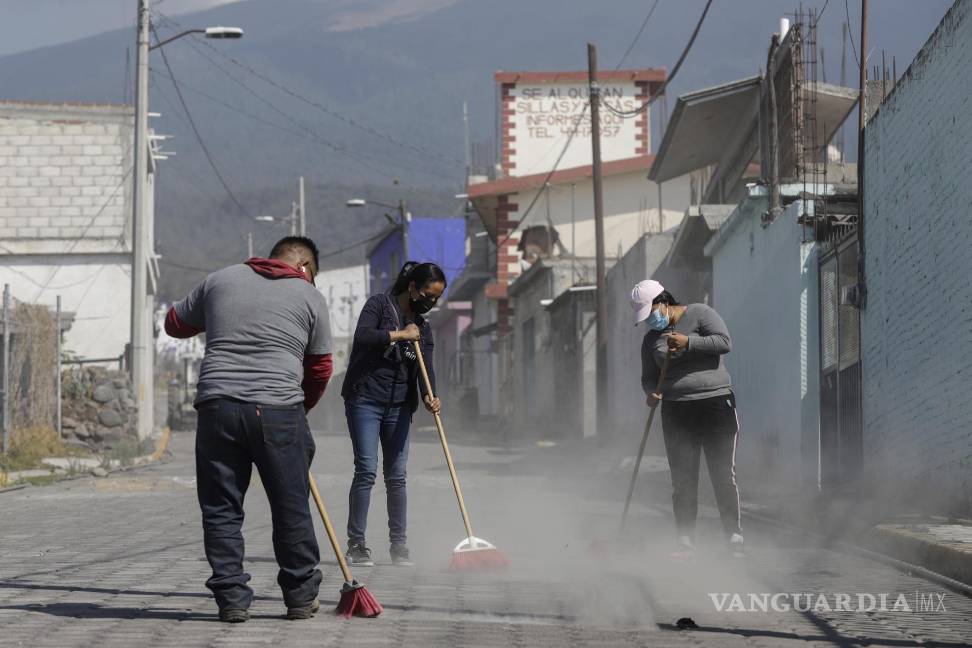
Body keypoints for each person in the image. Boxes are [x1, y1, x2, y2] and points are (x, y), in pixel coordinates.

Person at [164, 236, 334, 623]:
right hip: (278, 410)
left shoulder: (219, 280)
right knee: (290, 507)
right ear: (304, 267)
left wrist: (219, 312)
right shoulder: (309, 296)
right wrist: (299, 408)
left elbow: (174, 325)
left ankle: (232, 599)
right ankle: (299, 595)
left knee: (221, 509)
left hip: (217, 406)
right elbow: (321, 365)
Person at [341, 261, 445, 567]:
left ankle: (398, 545)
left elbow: (425, 367)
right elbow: (363, 337)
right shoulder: (379, 305)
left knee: (397, 476)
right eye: (429, 294)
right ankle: (357, 544)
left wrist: (430, 396)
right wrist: (400, 335)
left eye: (437, 297)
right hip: (365, 400)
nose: (432, 302)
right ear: (412, 287)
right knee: (366, 470)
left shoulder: (424, 327)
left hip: (399, 406)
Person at [631, 279, 743, 559]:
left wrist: (688, 342)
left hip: (715, 404)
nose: (651, 322)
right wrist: (650, 394)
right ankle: (685, 539)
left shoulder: (700, 313)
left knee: (722, 474)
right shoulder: (650, 341)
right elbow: (648, 378)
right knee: (682, 478)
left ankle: (733, 536)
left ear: (663, 301)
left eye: (651, 313)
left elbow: (724, 343)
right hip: (677, 410)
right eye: (645, 318)